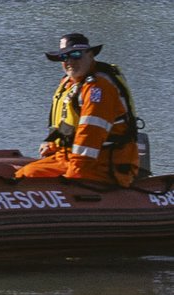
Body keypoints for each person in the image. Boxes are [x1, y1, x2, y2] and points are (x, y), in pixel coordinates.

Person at [16, 33, 142, 187]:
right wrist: (53, 145)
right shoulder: (70, 83)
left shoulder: (98, 88)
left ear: (90, 55)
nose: (69, 61)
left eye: (75, 55)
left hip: (102, 165)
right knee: (23, 174)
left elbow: (91, 134)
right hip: (69, 157)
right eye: (64, 57)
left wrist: (74, 175)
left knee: (28, 179)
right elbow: (69, 125)